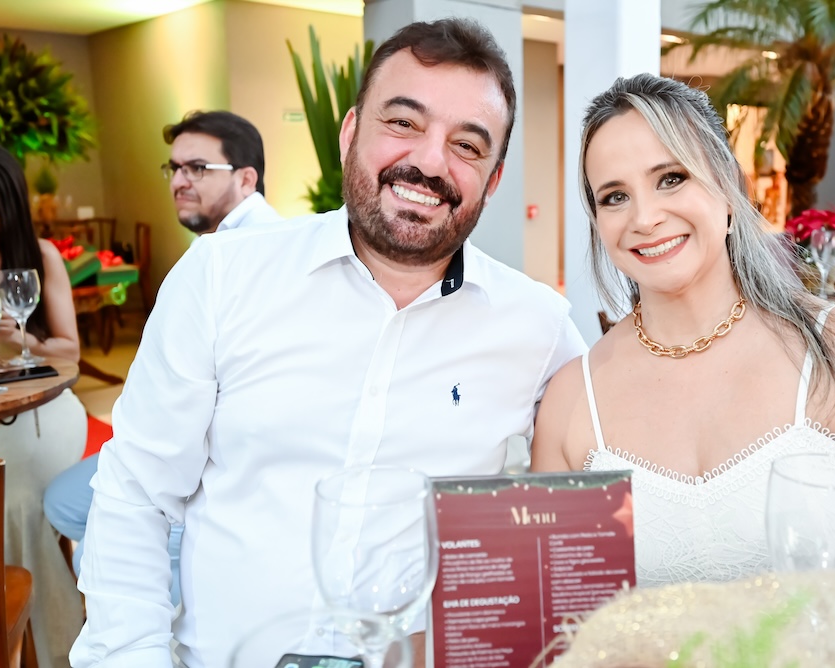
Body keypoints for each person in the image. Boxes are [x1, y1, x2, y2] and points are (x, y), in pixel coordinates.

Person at [70, 18, 584, 668]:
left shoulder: (537, 326)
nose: (431, 161)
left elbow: (595, 494)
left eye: (467, 144)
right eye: (403, 122)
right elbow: (136, 495)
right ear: (349, 133)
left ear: (495, 177)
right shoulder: (222, 276)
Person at [529, 74, 835, 646]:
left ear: (728, 190)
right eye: (614, 196)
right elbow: (557, 623)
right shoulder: (572, 399)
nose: (644, 217)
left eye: (671, 178)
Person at [43, 110, 281, 607]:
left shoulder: (253, 253)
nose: (178, 181)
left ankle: (184, 594)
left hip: (216, 462)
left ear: (246, 179)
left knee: (81, 531)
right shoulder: (218, 248)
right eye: (174, 168)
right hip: (179, 439)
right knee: (64, 503)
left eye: (197, 168)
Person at [0, 144, 86, 667]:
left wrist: (18, 338)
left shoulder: (41, 256)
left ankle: (56, 649)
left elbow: (70, 352)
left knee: (17, 504)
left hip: (44, 407)